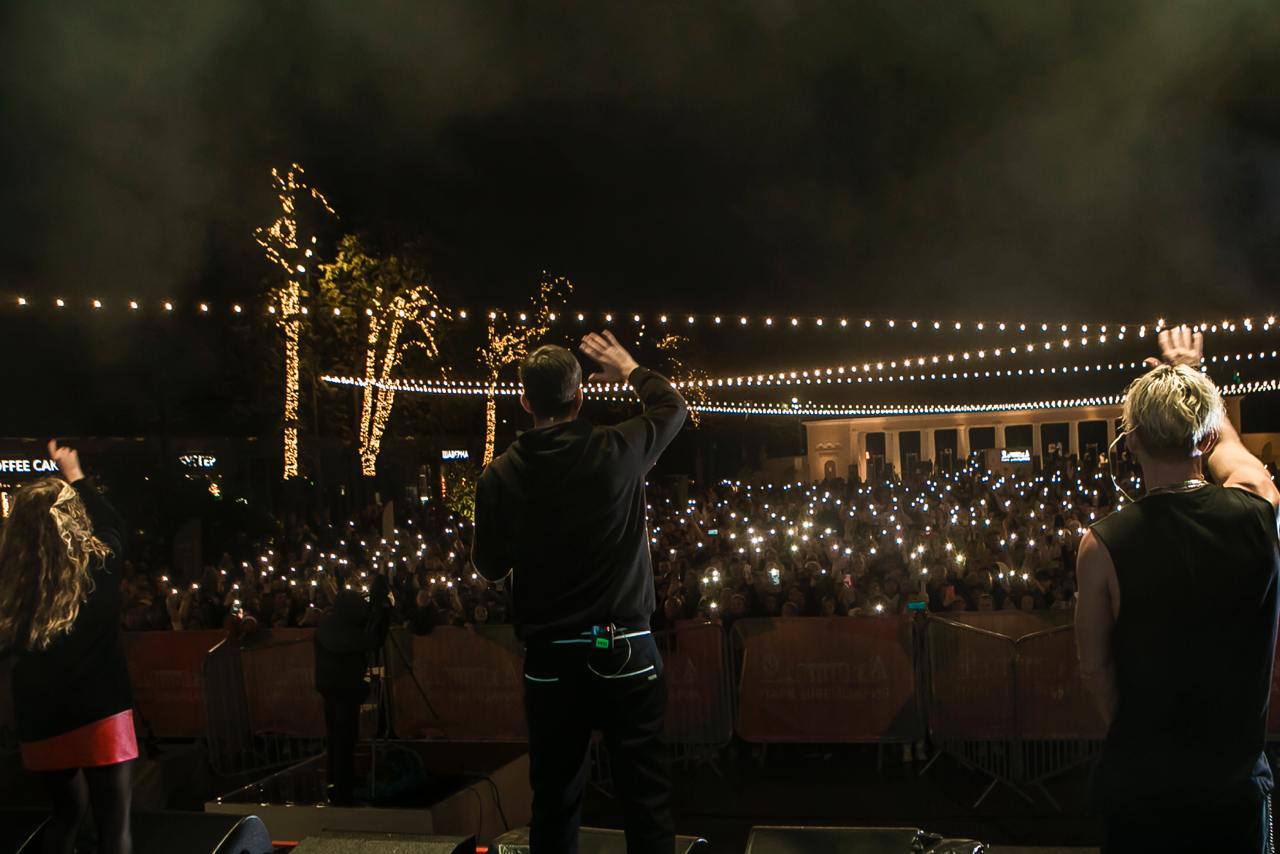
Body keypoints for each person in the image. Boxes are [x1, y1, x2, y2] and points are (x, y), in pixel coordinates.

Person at [473, 331, 686, 853]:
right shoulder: (618, 448)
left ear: (526, 401)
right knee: (646, 801)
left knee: (554, 801)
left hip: (550, 659)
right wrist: (630, 369)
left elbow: (490, 566)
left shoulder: (500, 475)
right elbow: (672, 407)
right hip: (625, 649)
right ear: (580, 397)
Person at [1076, 326, 1280, 853]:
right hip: (1233, 791)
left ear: (1131, 439)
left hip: (1142, 793)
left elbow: (1095, 669)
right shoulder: (1257, 510)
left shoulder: (1101, 546)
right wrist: (1193, 375)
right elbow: (1239, 461)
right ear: (1206, 439)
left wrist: (1139, 737)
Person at [0, 441, 136, 854]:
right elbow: (113, 523)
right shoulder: (99, 566)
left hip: (41, 716)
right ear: (72, 519)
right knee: (114, 828)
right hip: (101, 713)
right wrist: (75, 476)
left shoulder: (12, 587)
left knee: (65, 816)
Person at [313, 574, 391, 805]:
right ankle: (341, 785)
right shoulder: (335, 628)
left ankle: (339, 779)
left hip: (337, 687)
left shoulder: (332, 624)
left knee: (340, 737)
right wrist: (382, 612)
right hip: (341, 688)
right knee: (343, 738)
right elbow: (368, 642)